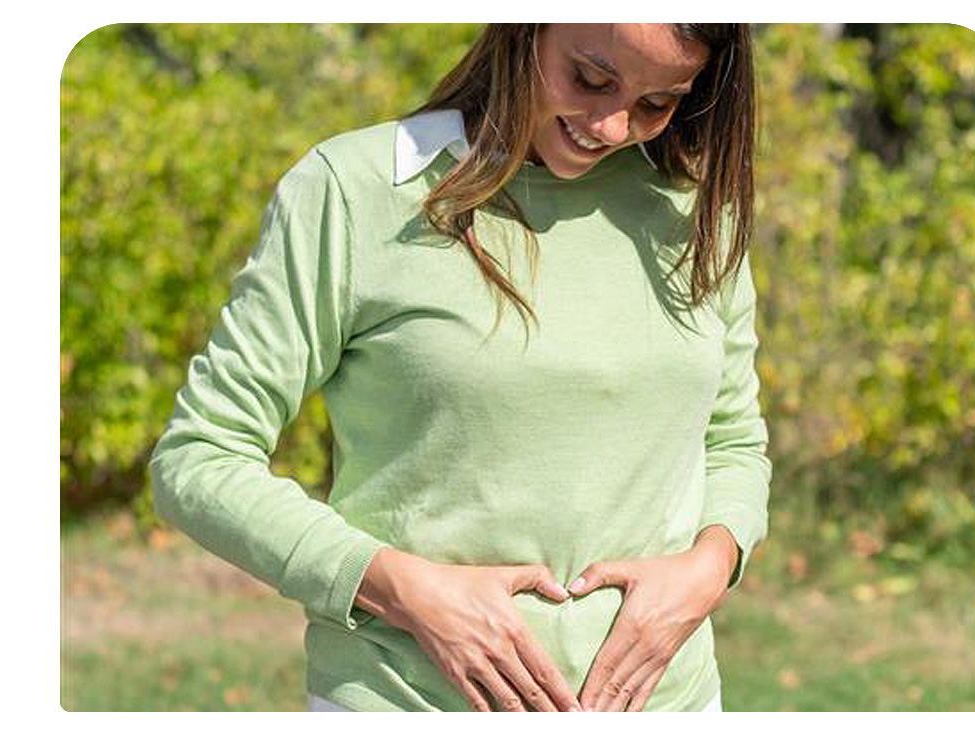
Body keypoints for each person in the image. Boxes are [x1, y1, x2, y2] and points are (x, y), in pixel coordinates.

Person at [149, 22, 770, 712]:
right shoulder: (355, 191)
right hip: (405, 702)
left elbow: (731, 439)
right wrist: (401, 588)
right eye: (590, 78)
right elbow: (201, 457)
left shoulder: (694, 211)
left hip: (674, 707)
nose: (612, 123)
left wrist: (707, 570)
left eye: (658, 102)